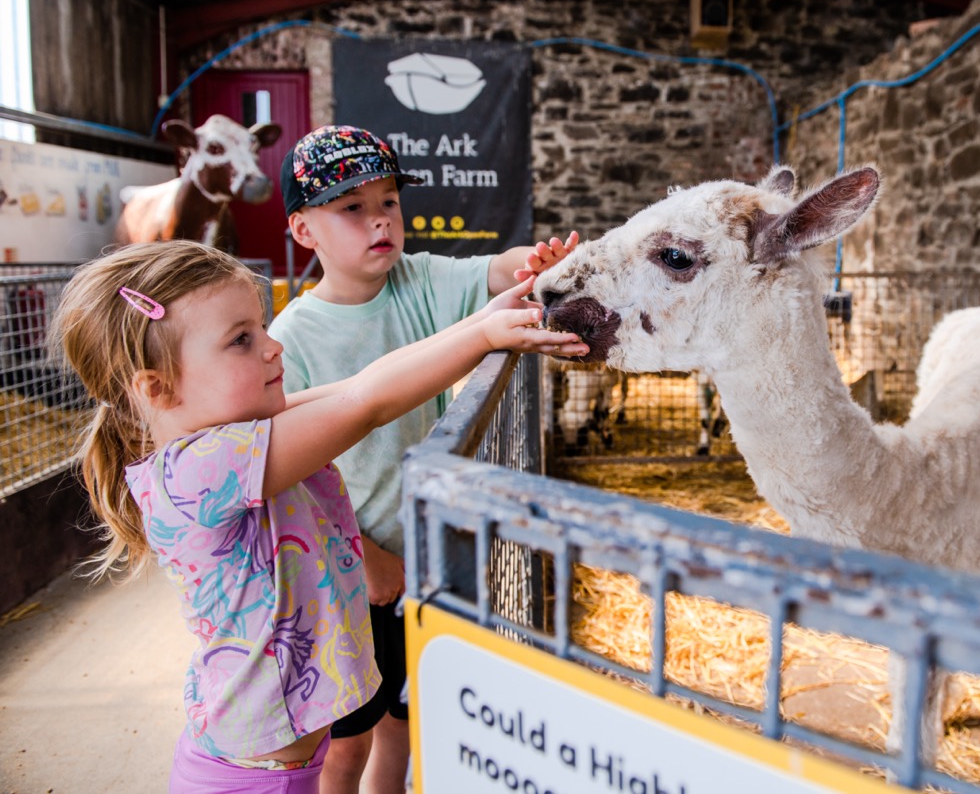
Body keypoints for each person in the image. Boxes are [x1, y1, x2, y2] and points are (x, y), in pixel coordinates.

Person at [51, 240, 586, 794]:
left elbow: (363, 383)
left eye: (260, 327)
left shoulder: (239, 436)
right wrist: (482, 336)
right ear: (158, 388)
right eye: (241, 340)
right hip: (253, 778)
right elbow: (364, 404)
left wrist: (484, 320)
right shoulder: (201, 468)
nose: (272, 346)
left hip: (274, 761)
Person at [268, 125, 579, 793]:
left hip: (424, 548)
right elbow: (285, 479)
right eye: (352, 208)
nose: (379, 220)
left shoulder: (418, 279)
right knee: (346, 743)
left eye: (389, 202)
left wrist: (538, 263)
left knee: (406, 718)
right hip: (346, 574)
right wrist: (363, 556)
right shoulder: (290, 340)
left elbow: (497, 270)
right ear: (305, 233)